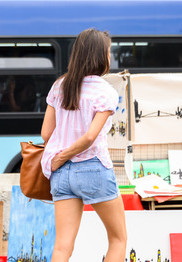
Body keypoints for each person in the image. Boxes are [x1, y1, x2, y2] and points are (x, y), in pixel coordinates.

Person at [41, 29, 127, 262]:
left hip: (60, 174)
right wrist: (66, 154)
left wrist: (60, 157)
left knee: (62, 246)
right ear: (101, 56)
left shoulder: (59, 86)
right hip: (93, 168)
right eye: (109, 52)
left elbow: (45, 133)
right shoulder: (105, 92)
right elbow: (90, 137)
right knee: (118, 239)